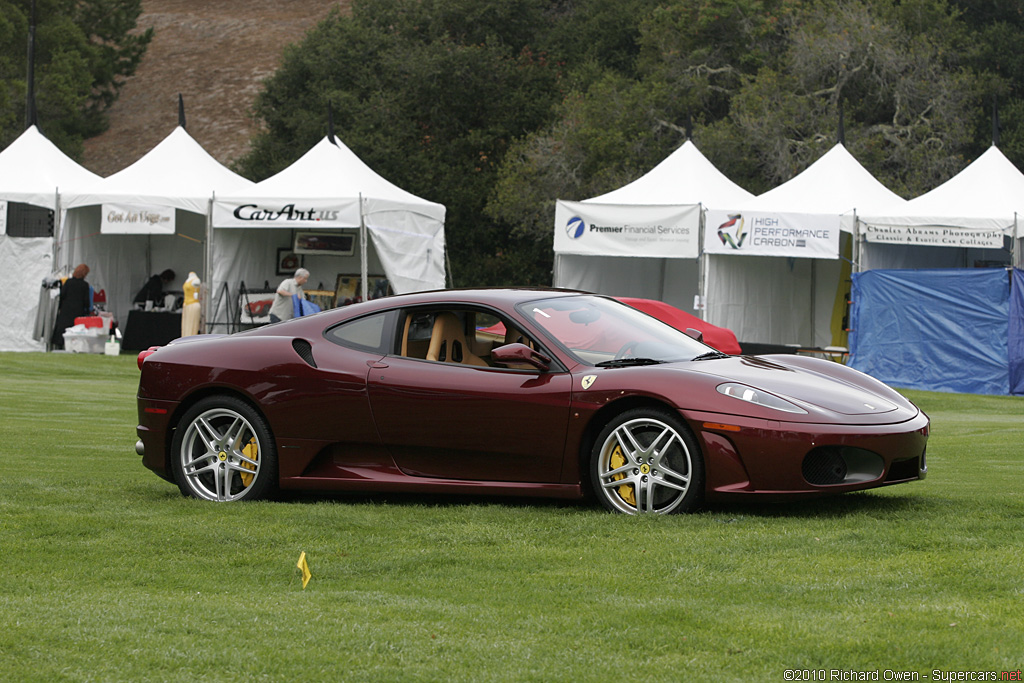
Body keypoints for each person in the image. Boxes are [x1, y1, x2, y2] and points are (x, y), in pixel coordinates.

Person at [51, 263, 92, 350]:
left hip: (66, 310)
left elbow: (62, 295)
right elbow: (86, 301)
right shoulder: (85, 285)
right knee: (75, 330)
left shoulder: (68, 282)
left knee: (62, 329)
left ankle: (59, 345)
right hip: (77, 311)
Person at [181, 271, 201, 337]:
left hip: (193, 304)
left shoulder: (196, 280)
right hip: (186, 304)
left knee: (192, 324)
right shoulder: (188, 280)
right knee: (186, 325)